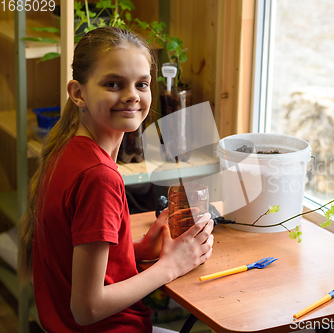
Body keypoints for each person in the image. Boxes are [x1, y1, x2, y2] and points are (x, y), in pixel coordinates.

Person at [18, 26, 214, 332]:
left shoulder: (66, 150)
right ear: (78, 93)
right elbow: (87, 307)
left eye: (142, 84)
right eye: (113, 84)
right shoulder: (99, 176)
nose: (132, 96)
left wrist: (134, 249)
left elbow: (76, 261)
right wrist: (172, 266)